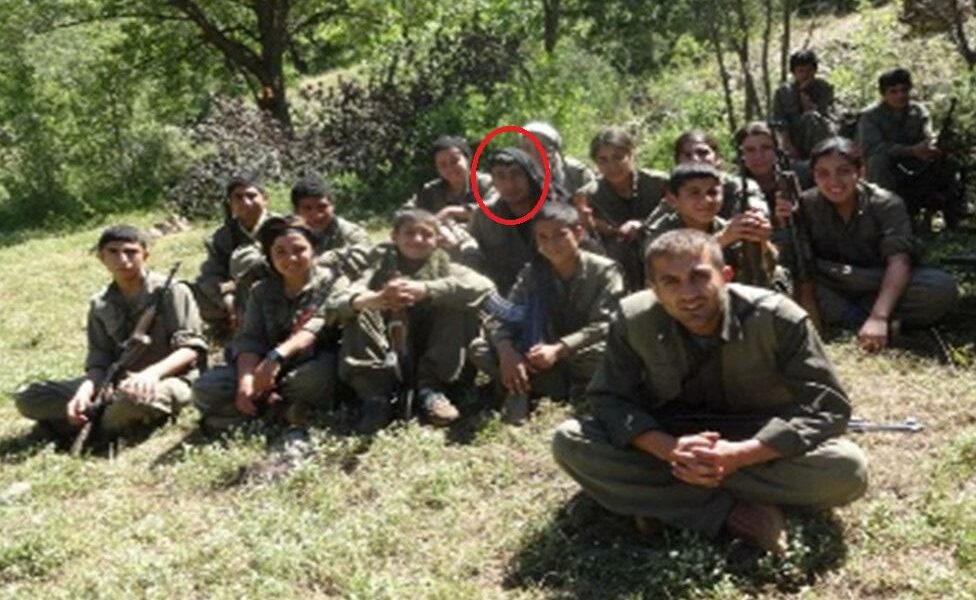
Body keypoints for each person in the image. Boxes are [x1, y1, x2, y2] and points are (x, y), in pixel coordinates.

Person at [551, 229, 868, 554]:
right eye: (670, 282)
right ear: (654, 289)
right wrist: (669, 449)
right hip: (672, 443)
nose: (688, 294)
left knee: (846, 469)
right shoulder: (633, 319)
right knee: (569, 441)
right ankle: (737, 513)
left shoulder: (778, 318)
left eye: (699, 277)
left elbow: (827, 408)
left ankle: (659, 503)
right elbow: (609, 398)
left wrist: (740, 454)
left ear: (725, 275)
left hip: (759, 443)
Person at [15, 226, 207, 443]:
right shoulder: (100, 303)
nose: (122, 259)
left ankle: (78, 426)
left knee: (129, 402)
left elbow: (191, 348)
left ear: (145, 255)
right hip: (116, 381)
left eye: (131, 252)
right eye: (113, 252)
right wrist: (85, 391)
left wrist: (151, 374)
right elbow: (100, 359)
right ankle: (93, 417)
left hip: (171, 378)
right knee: (29, 396)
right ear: (101, 257)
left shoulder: (171, 291)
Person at [774, 137, 958, 351]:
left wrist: (879, 316)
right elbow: (791, 261)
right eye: (823, 173)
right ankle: (863, 320)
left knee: (940, 287)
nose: (834, 181)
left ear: (860, 172)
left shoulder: (886, 203)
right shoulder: (805, 204)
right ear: (813, 176)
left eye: (844, 171)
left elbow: (899, 261)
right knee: (782, 282)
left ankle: (865, 318)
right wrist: (784, 223)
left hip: (876, 280)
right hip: (832, 280)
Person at [334, 209, 495, 433]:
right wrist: (376, 299)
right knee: (359, 310)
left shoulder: (447, 267)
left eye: (426, 234)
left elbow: (484, 286)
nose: (418, 240)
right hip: (390, 349)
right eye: (409, 233)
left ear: (437, 240)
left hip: (434, 347)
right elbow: (337, 302)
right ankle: (375, 397)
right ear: (394, 237)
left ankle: (431, 390)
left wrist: (427, 289)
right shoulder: (378, 270)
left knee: (461, 304)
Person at [469, 202, 625, 424]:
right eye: (543, 237)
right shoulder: (532, 272)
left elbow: (605, 324)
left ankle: (540, 385)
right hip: (535, 352)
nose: (551, 244)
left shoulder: (605, 271)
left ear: (578, 232)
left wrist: (558, 349)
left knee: (606, 354)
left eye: (560, 235)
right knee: (479, 349)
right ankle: (534, 383)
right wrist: (507, 353)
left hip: (576, 352)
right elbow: (503, 317)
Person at [192, 216, 347, 432]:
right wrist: (246, 381)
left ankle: (265, 412)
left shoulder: (334, 283)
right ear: (270, 256)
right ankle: (280, 411)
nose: (291, 258)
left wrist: (275, 357)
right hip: (265, 367)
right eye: (280, 252)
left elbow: (314, 326)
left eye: (299, 250)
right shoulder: (261, 290)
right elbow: (250, 339)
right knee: (207, 387)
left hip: (310, 363)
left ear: (315, 250)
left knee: (317, 379)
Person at [643, 163, 778, 287]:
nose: (706, 200)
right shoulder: (660, 231)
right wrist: (722, 239)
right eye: (694, 193)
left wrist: (761, 240)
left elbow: (768, 267)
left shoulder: (727, 228)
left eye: (712, 192)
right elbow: (672, 265)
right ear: (672, 199)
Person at [857, 67, 962, 224]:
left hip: (917, 166)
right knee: (877, 161)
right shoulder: (870, 116)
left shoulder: (919, 111)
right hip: (888, 170)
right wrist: (910, 150)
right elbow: (872, 147)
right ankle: (885, 216)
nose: (900, 95)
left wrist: (933, 147)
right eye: (893, 91)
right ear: (883, 94)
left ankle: (951, 215)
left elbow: (927, 136)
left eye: (904, 90)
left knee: (949, 163)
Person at [578, 127, 668, 291]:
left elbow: (679, 211)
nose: (612, 166)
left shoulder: (658, 183)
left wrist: (643, 225)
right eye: (603, 160)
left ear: (631, 154)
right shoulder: (589, 196)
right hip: (617, 264)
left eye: (618, 158)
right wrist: (594, 225)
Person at [194, 175, 277, 341]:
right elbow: (211, 274)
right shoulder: (220, 237)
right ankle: (228, 324)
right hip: (235, 296)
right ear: (230, 203)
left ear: (265, 198)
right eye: (238, 197)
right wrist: (228, 298)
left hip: (274, 290)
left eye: (252, 196)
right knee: (189, 292)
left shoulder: (282, 226)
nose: (245, 202)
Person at [464, 147, 545, 295]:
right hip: (500, 295)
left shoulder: (553, 209)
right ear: (493, 182)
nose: (510, 184)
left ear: (529, 176)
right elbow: (470, 254)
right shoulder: (484, 216)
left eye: (516, 174)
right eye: (500, 176)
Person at [291, 173, 372, 278]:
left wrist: (320, 261)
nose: (316, 215)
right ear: (296, 211)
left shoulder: (349, 232)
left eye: (322, 207)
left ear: (332, 205)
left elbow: (366, 254)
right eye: (307, 208)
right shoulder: (289, 234)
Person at [405, 135, 494, 223]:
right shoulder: (430, 190)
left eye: (454, 161)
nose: (450, 168)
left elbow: (493, 207)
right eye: (443, 164)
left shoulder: (487, 182)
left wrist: (451, 211)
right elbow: (407, 212)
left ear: (468, 160)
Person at [735, 122, 813, 213]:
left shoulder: (804, 175)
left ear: (776, 151)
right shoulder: (734, 188)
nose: (759, 156)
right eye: (750, 150)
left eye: (766, 148)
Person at [771, 49, 836, 159]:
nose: (805, 75)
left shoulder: (824, 88)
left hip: (820, 136)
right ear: (794, 72)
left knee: (811, 117)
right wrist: (788, 146)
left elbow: (827, 116)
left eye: (809, 71)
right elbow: (779, 121)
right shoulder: (783, 92)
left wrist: (808, 100)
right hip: (794, 137)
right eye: (801, 71)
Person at [521, 121, 595, 198]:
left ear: (553, 150)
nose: (533, 154)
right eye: (527, 148)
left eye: (541, 147)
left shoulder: (577, 173)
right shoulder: (519, 175)